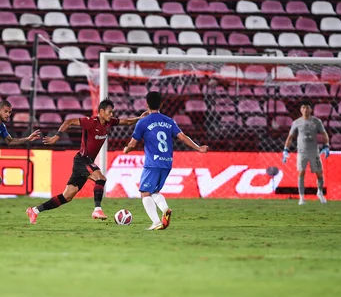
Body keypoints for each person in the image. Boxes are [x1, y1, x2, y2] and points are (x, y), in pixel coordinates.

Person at [26, 99, 148, 224]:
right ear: (101, 111)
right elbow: (69, 121)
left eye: (112, 112)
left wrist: (140, 118)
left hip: (86, 162)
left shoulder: (109, 122)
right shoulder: (90, 122)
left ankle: (34, 211)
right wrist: (56, 137)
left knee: (67, 196)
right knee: (101, 178)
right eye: (109, 112)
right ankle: (97, 209)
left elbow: (126, 122)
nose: (111, 115)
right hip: (82, 160)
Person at [123, 92, 208, 230]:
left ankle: (156, 222)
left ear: (146, 104)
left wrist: (126, 149)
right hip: (167, 162)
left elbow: (132, 144)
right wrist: (198, 148)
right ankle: (165, 209)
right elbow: (182, 137)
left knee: (145, 192)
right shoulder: (169, 121)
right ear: (161, 104)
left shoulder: (143, 122)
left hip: (152, 163)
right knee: (155, 191)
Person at [283, 100, 330, 205]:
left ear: (311, 109)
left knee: (319, 174)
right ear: (300, 109)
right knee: (301, 172)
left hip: (314, 151)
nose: (305, 109)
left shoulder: (317, 121)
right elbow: (290, 137)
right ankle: (301, 197)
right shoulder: (296, 122)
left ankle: (320, 192)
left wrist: (327, 146)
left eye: (307, 107)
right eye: (303, 107)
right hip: (301, 152)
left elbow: (324, 133)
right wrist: (285, 149)